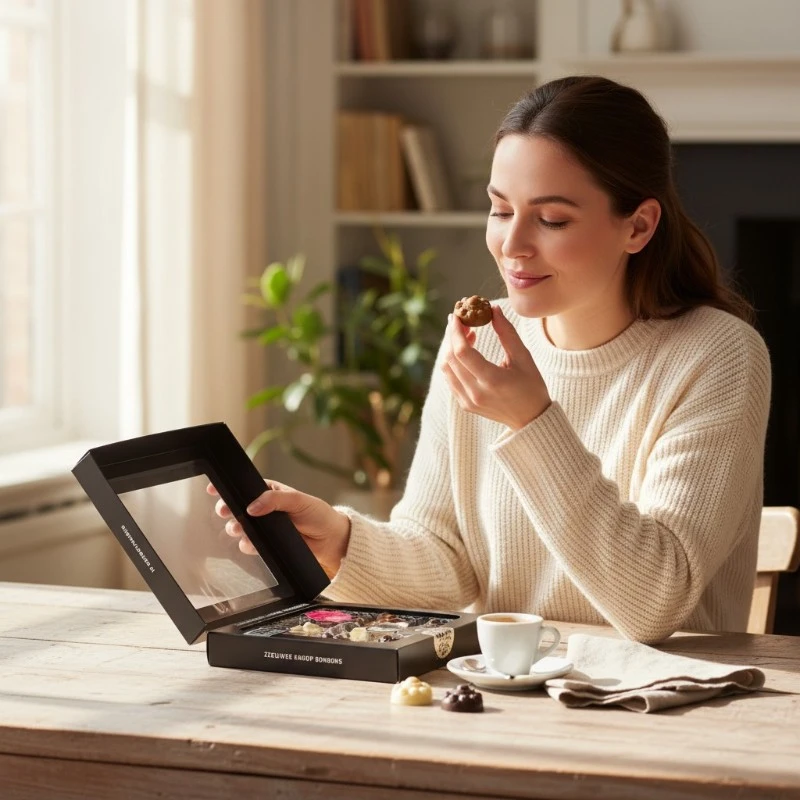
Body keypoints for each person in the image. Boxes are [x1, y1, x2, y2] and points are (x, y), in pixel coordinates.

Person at [213, 76, 771, 644]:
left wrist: (533, 422)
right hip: (505, 693)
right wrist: (336, 537)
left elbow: (656, 601)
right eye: (501, 210)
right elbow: (446, 560)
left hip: (663, 708)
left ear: (638, 225)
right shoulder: (480, 340)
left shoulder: (717, 355)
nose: (513, 244)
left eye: (552, 219)